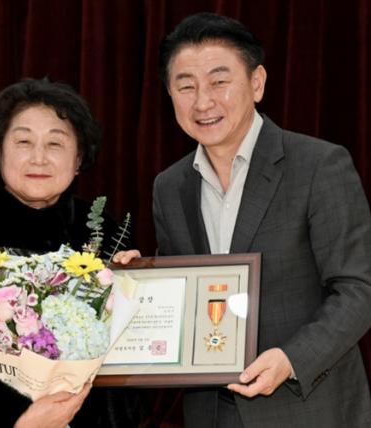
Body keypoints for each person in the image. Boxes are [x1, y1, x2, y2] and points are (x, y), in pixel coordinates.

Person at [146, 11, 371, 428]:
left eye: (219, 81)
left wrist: (291, 359)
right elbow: (183, 299)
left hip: (308, 410)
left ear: (257, 82)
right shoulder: (170, 186)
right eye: (186, 86)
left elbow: (359, 289)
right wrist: (136, 283)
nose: (203, 102)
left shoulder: (318, 165)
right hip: (210, 413)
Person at [0, 78, 142, 427]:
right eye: (23, 141)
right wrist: (21, 418)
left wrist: (139, 282)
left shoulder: (104, 233)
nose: (39, 157)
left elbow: (132, 357)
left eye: (55, 143)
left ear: (79, 158)